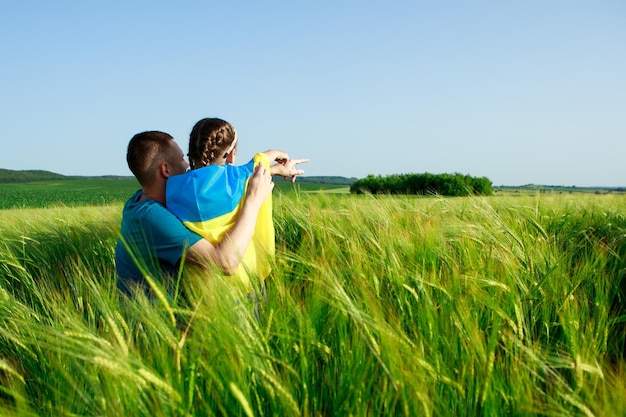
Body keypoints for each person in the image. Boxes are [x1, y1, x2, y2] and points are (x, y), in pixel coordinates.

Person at [115, 130, 274, 297]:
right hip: (158, 319)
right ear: (165, 170)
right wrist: (253, 200)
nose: (187, 166)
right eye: (181, 159)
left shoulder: (139, 202)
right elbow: (226, 263)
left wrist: (272, 170)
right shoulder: (152, 217)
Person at [165, 118, 308, 294]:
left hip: (200, 292)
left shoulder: (171, 188)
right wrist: (281, 159)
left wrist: (274, 167)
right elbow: (261, 161)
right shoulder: (240, 178)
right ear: (231, 154)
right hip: (244, 285)